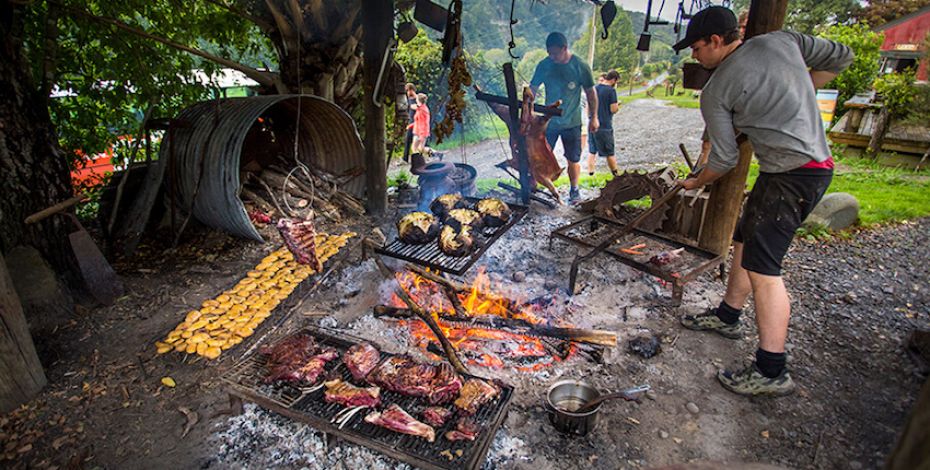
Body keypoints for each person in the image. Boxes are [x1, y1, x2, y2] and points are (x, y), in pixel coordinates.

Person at [673, 6, 853, 396]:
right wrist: (803, 87)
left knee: (764, 269)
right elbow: (842, 55)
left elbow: (723, 160)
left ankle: (772, 369)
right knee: (743, 239)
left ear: (717, 41)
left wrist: (695, 182)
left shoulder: (717, 89)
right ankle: (728, 316)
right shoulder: (783, 41)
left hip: (794, 176)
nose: (694, 56)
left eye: (697, 47)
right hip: (804, 170)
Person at [530, 32, 598, 203]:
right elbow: (532, 89)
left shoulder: (580, 66)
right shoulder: (544, 65)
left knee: (573, 159)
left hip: (572, 122)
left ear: (565, 48)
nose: (552, 57)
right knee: (538, 156)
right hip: (548, 123)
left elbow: (591, 93)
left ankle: (574, 191)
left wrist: (594, 117)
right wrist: (528, 108)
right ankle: (534, 187)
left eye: (555, 53)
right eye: (549, 53)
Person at [696, 9, 749, 168]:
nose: (742, 30)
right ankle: (702, 168)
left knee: (733, 146)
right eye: (741, 26)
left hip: (739, 105)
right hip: (723, 101)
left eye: (746, 27)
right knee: (708, 143)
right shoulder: (727, 52)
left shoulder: (751, 52)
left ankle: (709, 176)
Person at [586, 70, 621, 176]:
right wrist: (618, 105)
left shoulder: (595, 88)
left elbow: (588, 107)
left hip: (592, 124)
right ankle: (616, 174)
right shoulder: (611, 91)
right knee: (609, 152)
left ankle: (590, 173)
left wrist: (590, 117)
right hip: (604, 125)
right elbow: (613, 109)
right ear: (614, 80)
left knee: (592, 151)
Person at [408, 93, 431, 157]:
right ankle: (434, 153)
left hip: (420, 132)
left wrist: (421, 134)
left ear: (418, 100)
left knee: (414, 148)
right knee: (420, 148)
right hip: (419, 131)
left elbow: (424, 123)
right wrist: (411, 126)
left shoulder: (422, 110)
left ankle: (417, 162)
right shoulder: (421, 108)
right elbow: (418, 121)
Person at [402, 83, 418, 163]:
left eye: (409, 90)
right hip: (411, 122)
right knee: (408, 140)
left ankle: (417, 159)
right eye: (407, 91)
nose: (408, 92)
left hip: (417, 123)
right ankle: (405, 158)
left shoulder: (418, 99)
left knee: (417, 142)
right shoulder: (408, 100)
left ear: (412, 90)